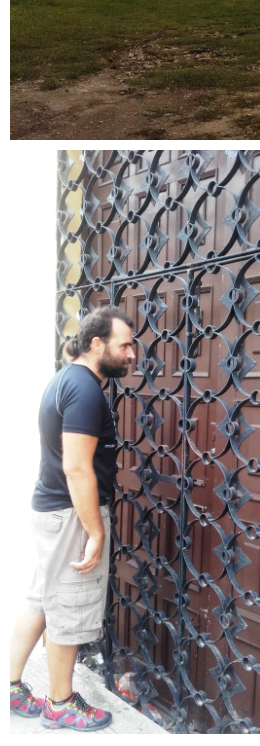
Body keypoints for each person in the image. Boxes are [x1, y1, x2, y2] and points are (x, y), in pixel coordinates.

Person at [9, 307, 139, 731]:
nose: (132, 354)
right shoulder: (85, 390)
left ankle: (11, 685)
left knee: (41, 599)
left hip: (51, 508)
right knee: (68, 607)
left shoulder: (64, 379)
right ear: (96, 343)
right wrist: (95, 531)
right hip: (70, 514)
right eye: (125, 345)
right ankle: (60, 703)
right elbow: (78, 468)